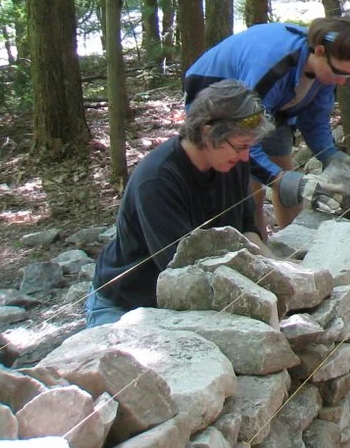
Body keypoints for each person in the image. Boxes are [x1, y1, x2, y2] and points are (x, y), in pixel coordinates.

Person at [86, 81, 269, 325]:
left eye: (249, 147)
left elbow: (248, 230)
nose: (246, 156)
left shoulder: (232, 162)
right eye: (241, 146)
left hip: (193, 291)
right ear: (207, 132)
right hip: (127, 304)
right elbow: (181, 270)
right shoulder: (157, 180)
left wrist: (276, 271)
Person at [184, 17, 350, 226]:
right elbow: (244, 136)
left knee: (287, 175)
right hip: (219, 95)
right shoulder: (272, 65)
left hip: (276, 104)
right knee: (248, 185)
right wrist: (276, 179)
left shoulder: (326, 71)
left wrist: (329, 154)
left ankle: (291, 240)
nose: (342, 81)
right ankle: (256, 246)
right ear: (320, 51)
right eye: (340, 73)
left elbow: (315, 119)